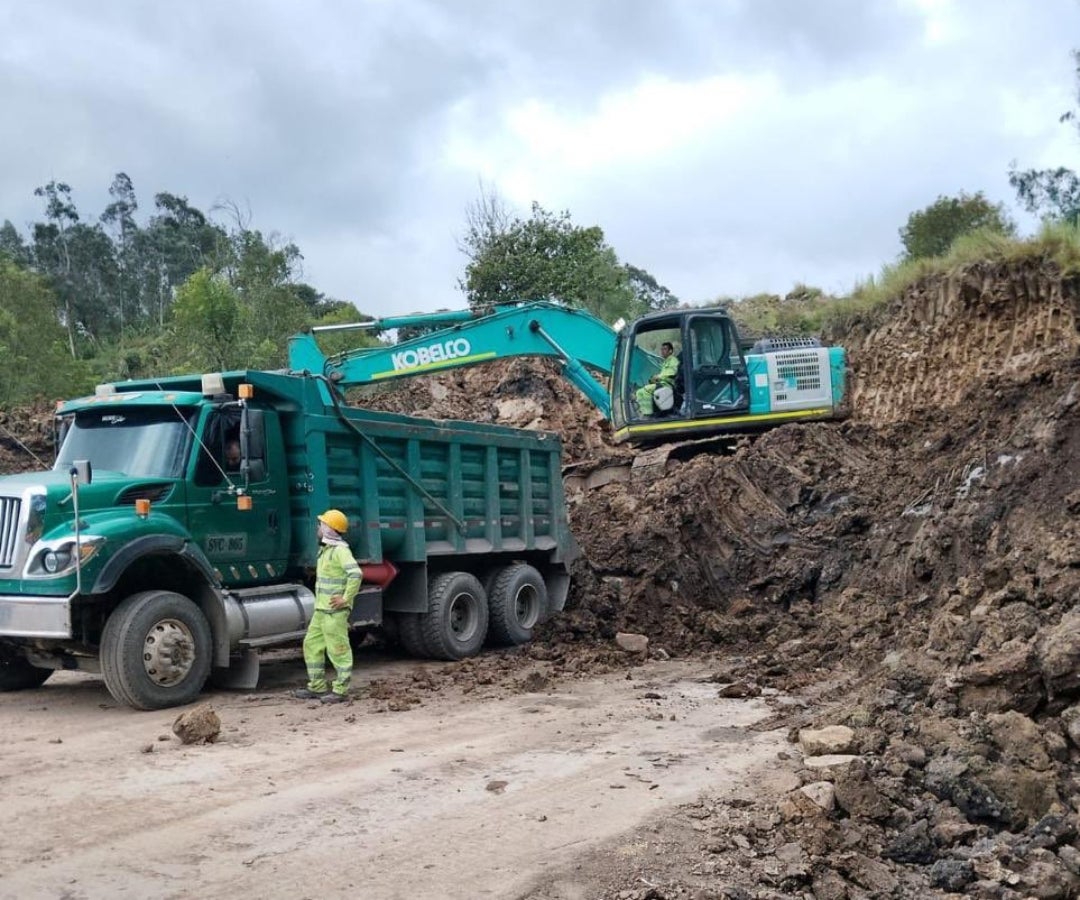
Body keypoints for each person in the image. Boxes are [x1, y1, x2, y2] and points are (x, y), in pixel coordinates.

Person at [293, 509, 362, 704]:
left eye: (321, 524)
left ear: (330, 529)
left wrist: (346, 599)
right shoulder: (325, 550)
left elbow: (356, 574)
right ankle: (317, 687)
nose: (318, 527)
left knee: (338, 649)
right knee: (311, 644)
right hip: (321, 610)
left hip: (334, 612)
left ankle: (341, 690)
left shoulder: (340, 550)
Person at [635, 342, 680, 416]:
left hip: (668, 385)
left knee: (646, 390)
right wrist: (655, 379)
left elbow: (672, 373)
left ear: (670, 351)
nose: (662, 351)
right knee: (639, 392)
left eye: (665, 349)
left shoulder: (673, 360)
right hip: (662, 384)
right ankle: (643, 411)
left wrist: (658, 377)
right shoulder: (665, 362)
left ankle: (648, 414)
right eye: (661, 349)